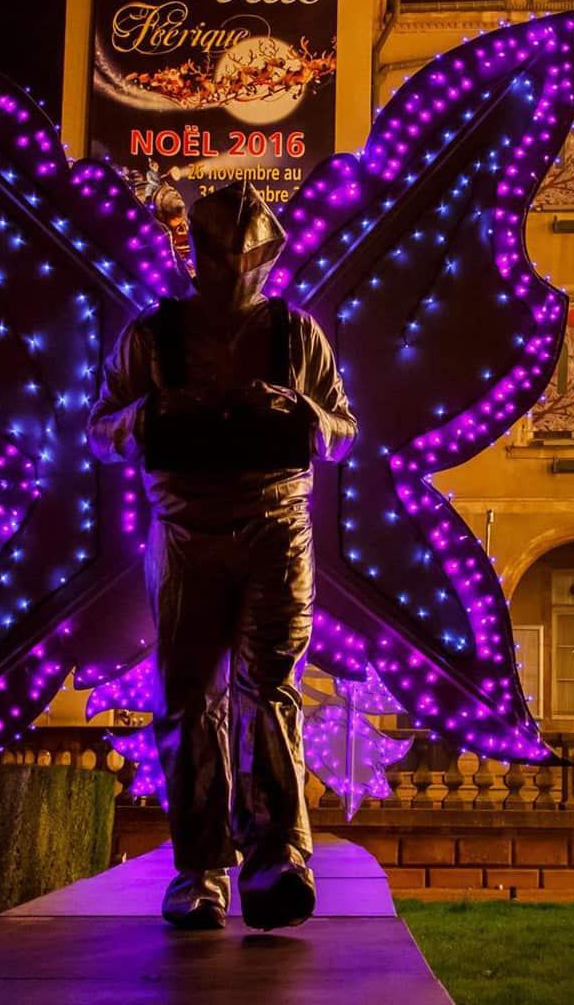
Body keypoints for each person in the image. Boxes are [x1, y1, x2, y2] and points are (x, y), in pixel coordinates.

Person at [88, 182, 355, 932]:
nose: (238, 266)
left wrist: (300, 411)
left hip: (278, 525)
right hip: (183, 528)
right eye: (221, 252)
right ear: (193, 256)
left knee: (269, 692)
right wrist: (152, 412)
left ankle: (276, 863)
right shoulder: (151, 336)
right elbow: (98, 430)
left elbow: (342, 428)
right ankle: (201, 870)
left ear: (268, 255)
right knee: (188, 699)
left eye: (250, 252)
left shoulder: (298, 335)